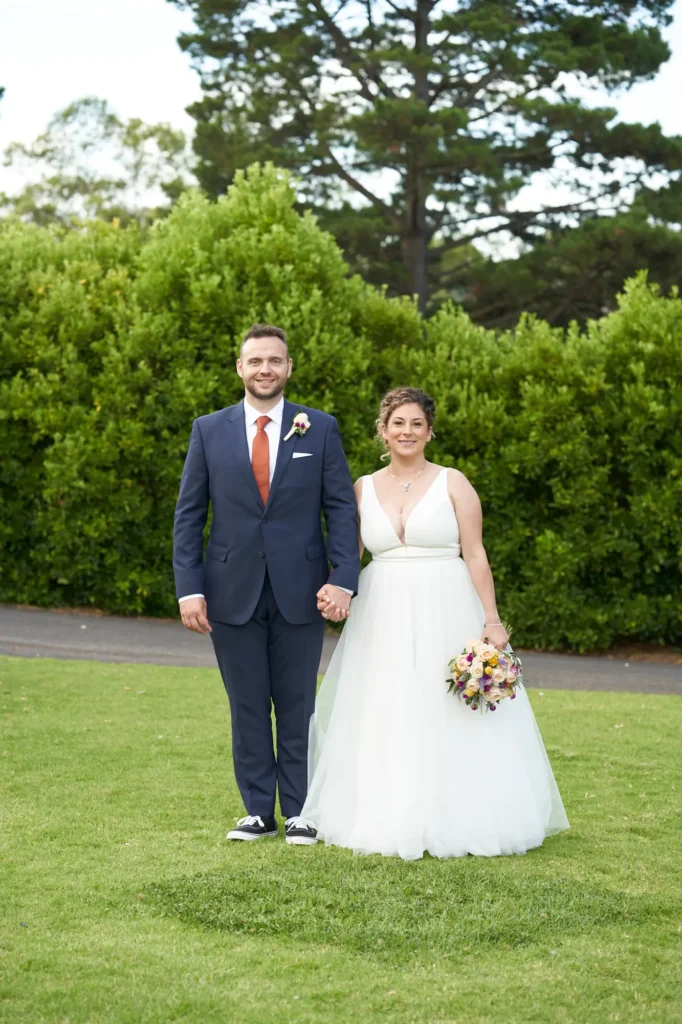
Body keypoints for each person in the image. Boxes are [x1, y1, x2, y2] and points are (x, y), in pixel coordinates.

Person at [305, 387, 569, 859]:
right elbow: (350, 555)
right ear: (383, 431)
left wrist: (492, 620)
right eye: (397, 424)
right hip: (382, 609)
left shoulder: (453, 482)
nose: (407, 432)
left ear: (430, 431)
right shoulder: (362, 487)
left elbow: (476, 553)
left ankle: (464, 816)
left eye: (416, 424)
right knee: (385, 704)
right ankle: (386, 814)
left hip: (447, 603)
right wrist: (336, 588)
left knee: (445, 705)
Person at [173, 324, 359, 845]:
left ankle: (301, 811)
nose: (265, 370)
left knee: (298, 703)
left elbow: (341, 508)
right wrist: (190, 588)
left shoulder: (318, 428)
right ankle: (257, 811)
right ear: (240, 368)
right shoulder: (208, 429)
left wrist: (343, 578)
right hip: (230, 590)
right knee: (248, 703)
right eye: (255, 361)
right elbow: (189, 514)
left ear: (288, 367)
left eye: (274, 361)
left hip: (302, 589)